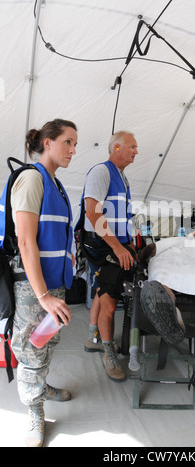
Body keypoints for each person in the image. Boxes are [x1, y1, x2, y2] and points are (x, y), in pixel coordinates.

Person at [10, 119, 78, 447]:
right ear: (48, 142)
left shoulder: (56, 184)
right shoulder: (31, 179)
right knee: (31, 350)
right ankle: (35, 411)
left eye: (75, 144)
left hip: (53, 286)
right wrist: (44, 296)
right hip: (33, 288)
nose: (73, 150)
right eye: (68, 142)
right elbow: (26, 243)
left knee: (45, 342)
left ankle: (42, 386)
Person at [81, 131, 138, 382]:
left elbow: (118, 214)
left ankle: (93, 337)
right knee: (110, 301)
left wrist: (130, 239)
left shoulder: (122, 177)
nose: (137, 151)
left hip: (115, 242)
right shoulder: (101, 172)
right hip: (103, 246)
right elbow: (93, 214)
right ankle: (107, 351)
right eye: (132, 147)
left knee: (101, 291)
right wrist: (117, 247)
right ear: (116, 148)